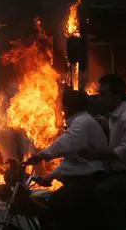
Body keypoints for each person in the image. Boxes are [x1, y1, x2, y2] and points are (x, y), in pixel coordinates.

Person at [26, 89, 109, 230]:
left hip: (93, 176)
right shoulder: (80, 121)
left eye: (63, 104)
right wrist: (50, 176)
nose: (61, 108)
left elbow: (67, 143)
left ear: (68, 106)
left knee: (58, 202)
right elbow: (72, 160)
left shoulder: (82, 122)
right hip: (86, 175)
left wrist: (43, 155)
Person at [86, 74, 126, 230]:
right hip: (119, 171)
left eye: (103, 94)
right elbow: (117, 132)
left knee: (102, 192)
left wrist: (98, 153)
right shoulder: (116, 113)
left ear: (117, 95)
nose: (99, 98)